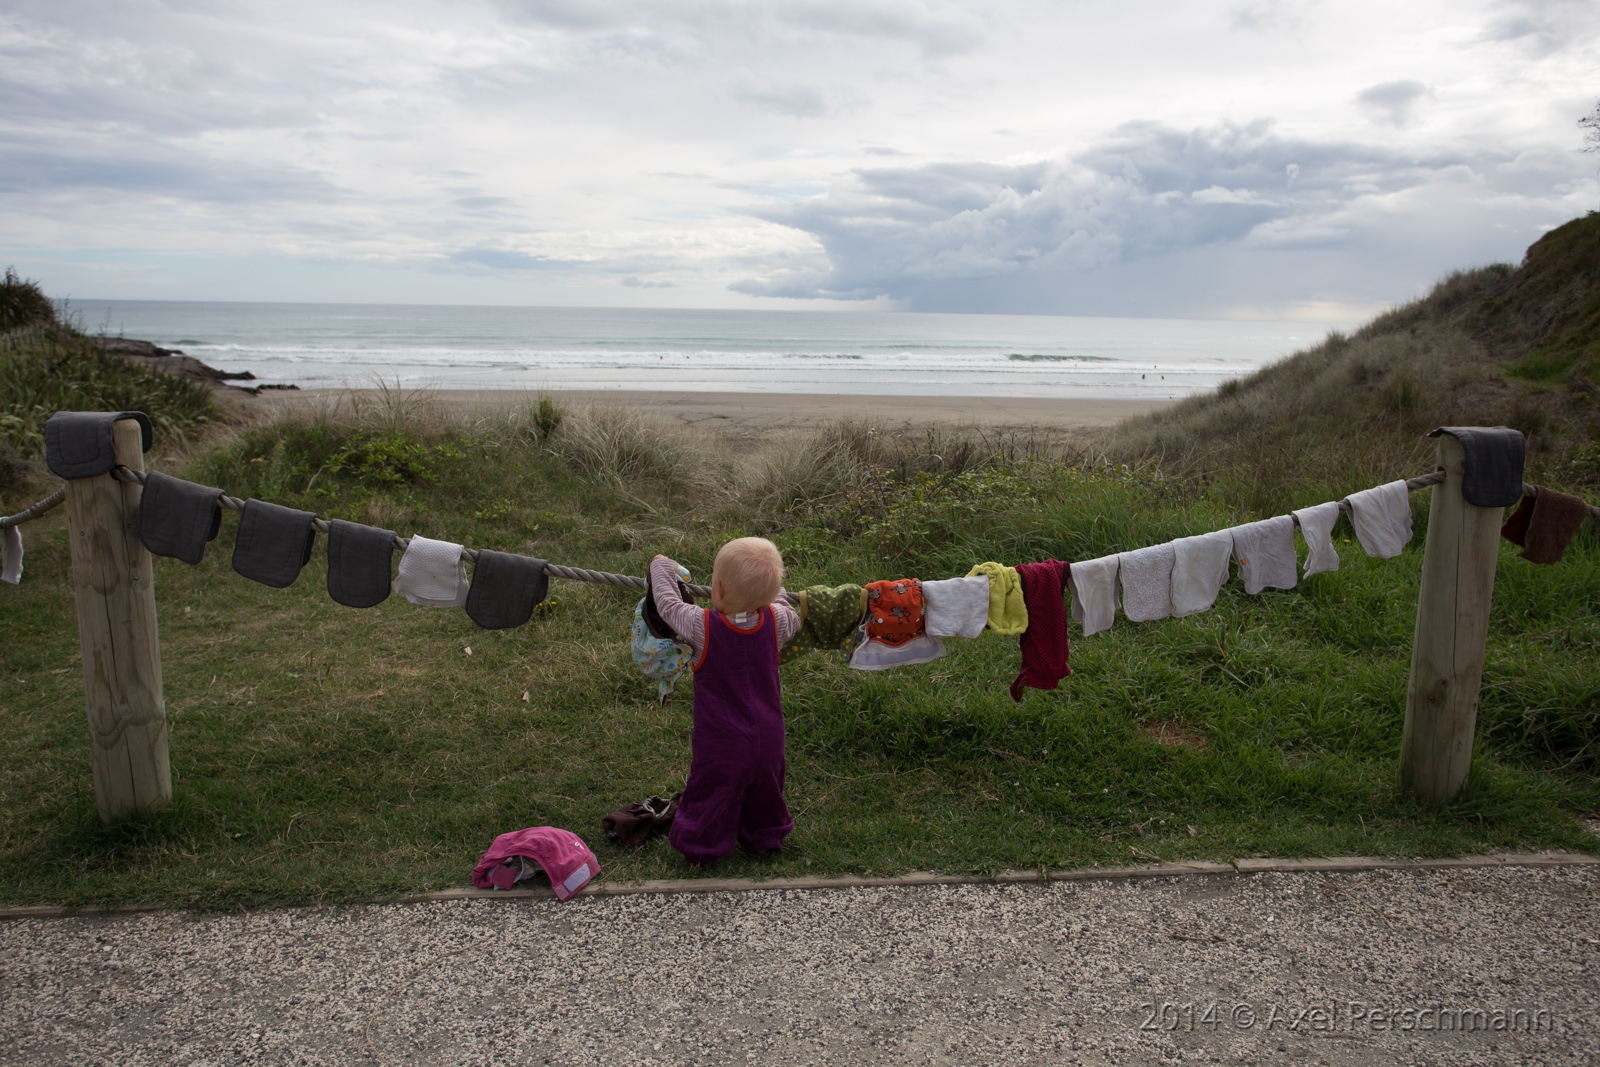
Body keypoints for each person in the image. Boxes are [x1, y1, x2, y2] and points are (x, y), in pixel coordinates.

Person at [647, 537, 800, 866]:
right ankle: (765, 836)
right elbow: (787, 608)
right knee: (767, 790)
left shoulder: (703, 626)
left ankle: (702, 848)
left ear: (716, 588)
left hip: (722, 742)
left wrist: (661, 566)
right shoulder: (778, 621)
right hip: (770, 738)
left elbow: (668, 605)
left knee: (711, 793)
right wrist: (776, 593)